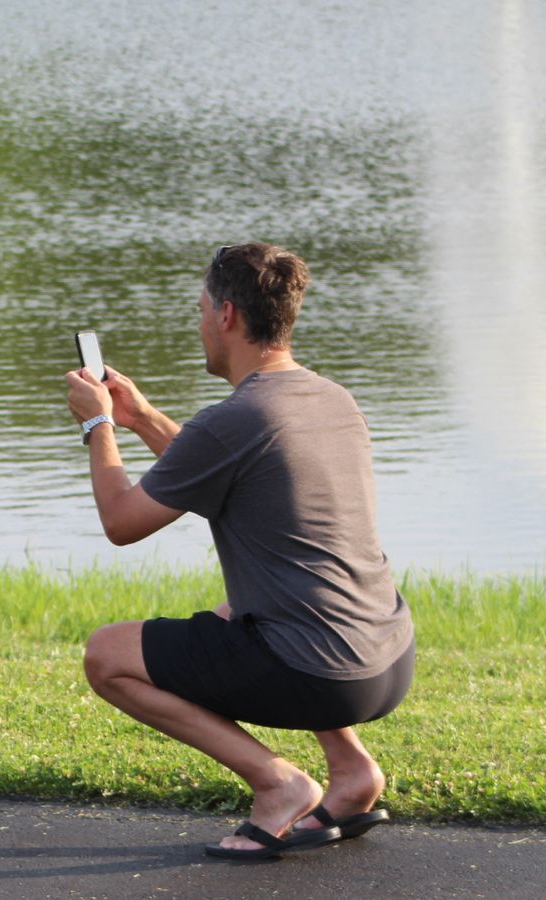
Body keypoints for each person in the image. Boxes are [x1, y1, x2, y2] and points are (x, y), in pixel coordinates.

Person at [65, 243, 415, 860]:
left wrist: (99, 426)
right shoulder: (332, 399)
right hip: (387, 657)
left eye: (200, 309)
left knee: (107, 654)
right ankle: (353, 771)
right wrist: (142, 416)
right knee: (243, 608)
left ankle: (278, 784)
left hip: (323, 675)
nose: (198, 322)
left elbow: (122, 522)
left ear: (227, 315)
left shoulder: (235, 418)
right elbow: (225, 466)